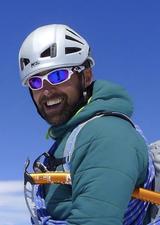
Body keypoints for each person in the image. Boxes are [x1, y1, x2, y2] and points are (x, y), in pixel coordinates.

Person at [19, 24, 152, 225]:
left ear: (86, 76)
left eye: (58, 76)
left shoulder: (107, 135)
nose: (46, 91)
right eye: (35, 82)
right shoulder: (73, 137)